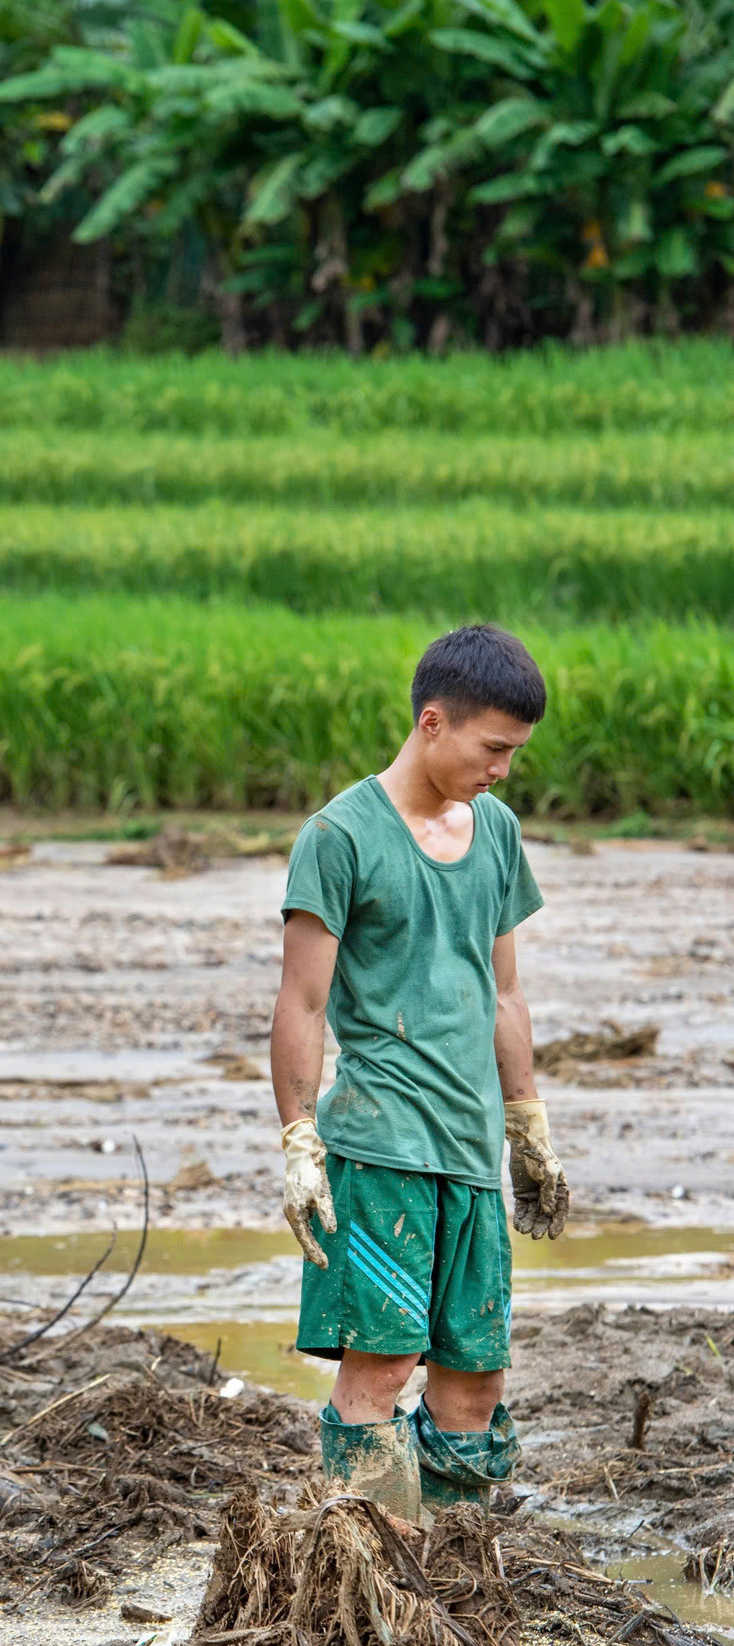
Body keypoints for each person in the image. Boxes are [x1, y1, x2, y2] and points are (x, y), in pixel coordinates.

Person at [270, 625, 568, 1521]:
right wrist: (298, 1140)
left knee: (474, 1380)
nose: (504, 770)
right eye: (493, 749)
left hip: (469, 1150)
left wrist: (528, 1128)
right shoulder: (340, 835)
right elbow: (301, 1004)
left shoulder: (498, 834)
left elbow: (505, 993)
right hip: (380, 1146)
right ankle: (371, 1584)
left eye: (515, 752)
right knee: (383, 1366)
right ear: (433, 723)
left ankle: (454, 1589)